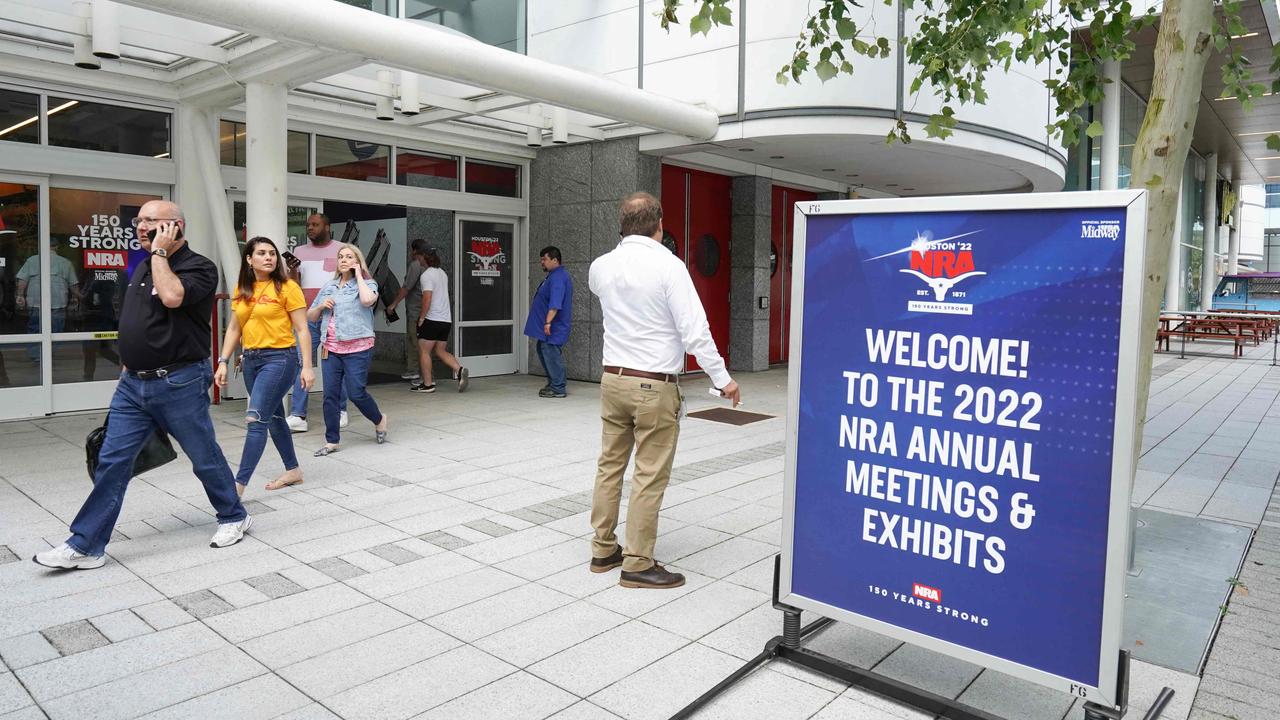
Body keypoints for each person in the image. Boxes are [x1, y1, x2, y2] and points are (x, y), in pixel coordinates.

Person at [34, 201, 252, 570]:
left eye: (151, 220)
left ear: (176, 226)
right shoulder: (142, 265)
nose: (140, 225)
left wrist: (160, 253)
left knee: (203, 456)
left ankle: (233, 515)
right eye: (138, 220)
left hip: (180, 381)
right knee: (113, 461)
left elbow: (172, 298)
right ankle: (86, 545)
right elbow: (136, 319)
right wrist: (126, 363)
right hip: (133, 384)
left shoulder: (198, 266)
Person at [587, 192, 741, 590]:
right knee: (649, 475)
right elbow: (695, 333)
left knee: (609, 467)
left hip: (612, 380)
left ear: (621, 224)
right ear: (660, 224)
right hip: (653, 385)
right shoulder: (669, 267)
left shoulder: (600, 267)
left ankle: (603, 549)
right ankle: (637, 562)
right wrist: (722, 379)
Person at [215, 237, 314, 495]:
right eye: (261, 253)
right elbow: (235, 327)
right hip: (250, 360)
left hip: (280, 359)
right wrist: (223, 361)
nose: (269, 257)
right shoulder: (243, 288)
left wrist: (307, 367)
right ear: (249, 259)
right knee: (274, 416)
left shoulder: (287, 287)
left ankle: (237, 486)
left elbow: (303, 329)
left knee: (256, 418)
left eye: (272, 253)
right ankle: (293, 470)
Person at [307, 243, 389, 456]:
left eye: (349, 257)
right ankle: (331, 441)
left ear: (357, 261)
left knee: (356, 392)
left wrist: (359, 275)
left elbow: (367, 300)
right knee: (330, 396)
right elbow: (311, 316)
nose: (343, 260)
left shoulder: (369, 284)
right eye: (341, 256)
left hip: (358, 348)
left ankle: (379, 419)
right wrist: (320, 306)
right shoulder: (329, 286)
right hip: (331, 348)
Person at [286, 213, 347, 432]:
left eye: (315, 224)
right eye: (308, 225)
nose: (310, 228)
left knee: (336, 366)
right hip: (308, 317)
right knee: (303, 364)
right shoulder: (299, 252)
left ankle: (340, 410)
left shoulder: (342, 249)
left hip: (334, 317)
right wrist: (293, 269)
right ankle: (298, 415)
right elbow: (294, 286)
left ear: (327, 227)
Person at [409, 245, 469, 394]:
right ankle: (459, 370)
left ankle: (428, 385)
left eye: (419, 257)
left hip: (432, 319)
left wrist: (422, 318)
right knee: (440, 351)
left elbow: (427, 299)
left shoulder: (426, 275)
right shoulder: (442, 273)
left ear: (424, 258)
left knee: (424, 351)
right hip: (445, 320)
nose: (418, 259)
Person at [523, 245, 573, 398]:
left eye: (544, 259)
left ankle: (558, 387)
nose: (542, 262)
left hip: (554, 327)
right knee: (542, 349)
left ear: (555, 260)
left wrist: (548, 323)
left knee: (550, 352)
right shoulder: (553, 276)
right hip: (550, 327)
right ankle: (553, 383)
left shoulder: (558, 277)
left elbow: (555, 303)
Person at [15, 240, 78, 358]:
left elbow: (22, 280)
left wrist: (20, 295)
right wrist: (75, 298)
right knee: (56, 331)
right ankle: (49, 356)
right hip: (58, 302)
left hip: (35, 301)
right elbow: (73, 284)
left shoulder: (32, 260)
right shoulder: (65, 262)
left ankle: (36, 357)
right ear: (57, 247)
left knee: (34, 329)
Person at [385, 238, 429, 382]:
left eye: (412, 250)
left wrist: (393, 304)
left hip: (416, 311)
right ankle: (413, 370)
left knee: (416, 342)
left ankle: (424, 375)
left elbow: (406, 287)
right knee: (412, 341)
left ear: (415, 251)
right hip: (422, 310)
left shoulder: (416, 265)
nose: (411, 253)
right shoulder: (430, 266)